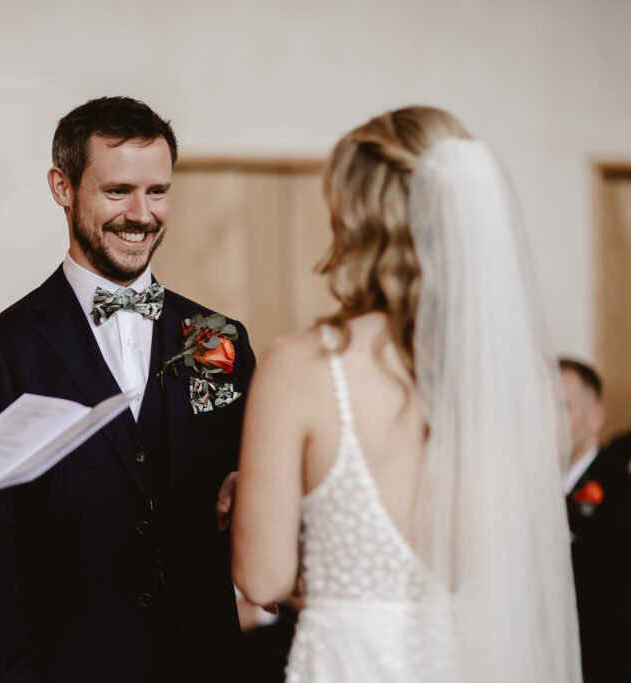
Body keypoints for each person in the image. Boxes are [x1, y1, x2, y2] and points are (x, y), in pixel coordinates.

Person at [231, 106, 581, 682]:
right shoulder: (530, 390)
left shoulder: (301, 365)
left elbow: (263, 579)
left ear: (356, 215)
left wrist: (267, 501)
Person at [0, 96, 256, 682]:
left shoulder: (218, 338)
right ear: (62, 187)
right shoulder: (0, 349)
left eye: (158, 192)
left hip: (203, 664)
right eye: (118, 191)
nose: (141, 214)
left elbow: (248, 488)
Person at [560, 358, 631, 682]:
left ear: (594, 418)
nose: (549, 420)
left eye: (563, 407)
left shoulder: (619, 493)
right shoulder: (527, 492)